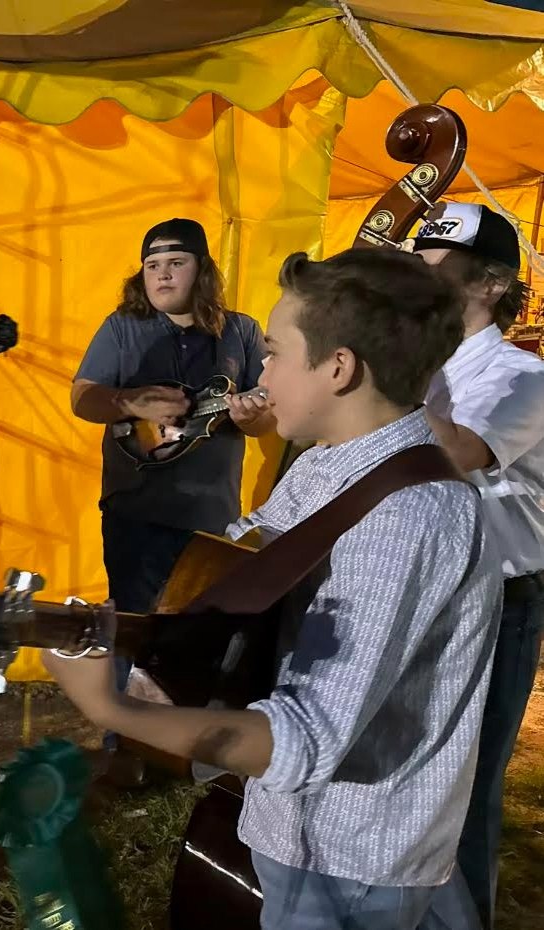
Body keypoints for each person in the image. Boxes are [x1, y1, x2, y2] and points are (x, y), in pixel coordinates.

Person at [46, 247, 500, 929]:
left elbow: (305, 741)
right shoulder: (325, 465)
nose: (260, 375)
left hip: (348, 852)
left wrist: (110, 709)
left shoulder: (409, 516)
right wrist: (150, 631)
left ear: (338, 368)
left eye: (274, 353)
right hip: (292, 823)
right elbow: (243, 568)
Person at [70, 217, 275, 783]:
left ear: (202, 269)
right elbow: (83, 398)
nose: (161, 274)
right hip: (135, 508)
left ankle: (189, 746)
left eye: (175, 263)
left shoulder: (241, 332)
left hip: (211, 515)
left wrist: (252, 417)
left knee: (203, 634)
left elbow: (267, 419)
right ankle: (125, 747)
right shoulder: (122, 327)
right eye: (152, 265)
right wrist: (130, 402)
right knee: (133, 628)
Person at [414, 201, 544, 930]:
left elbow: (457, 452)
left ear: (491, 284)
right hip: (419, 592)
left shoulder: (521, 374)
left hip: (497, 601)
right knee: (413, 776)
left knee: (464, 788)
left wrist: (379, 374)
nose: (414, 279)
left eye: (433, 267)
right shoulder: (422, 368)